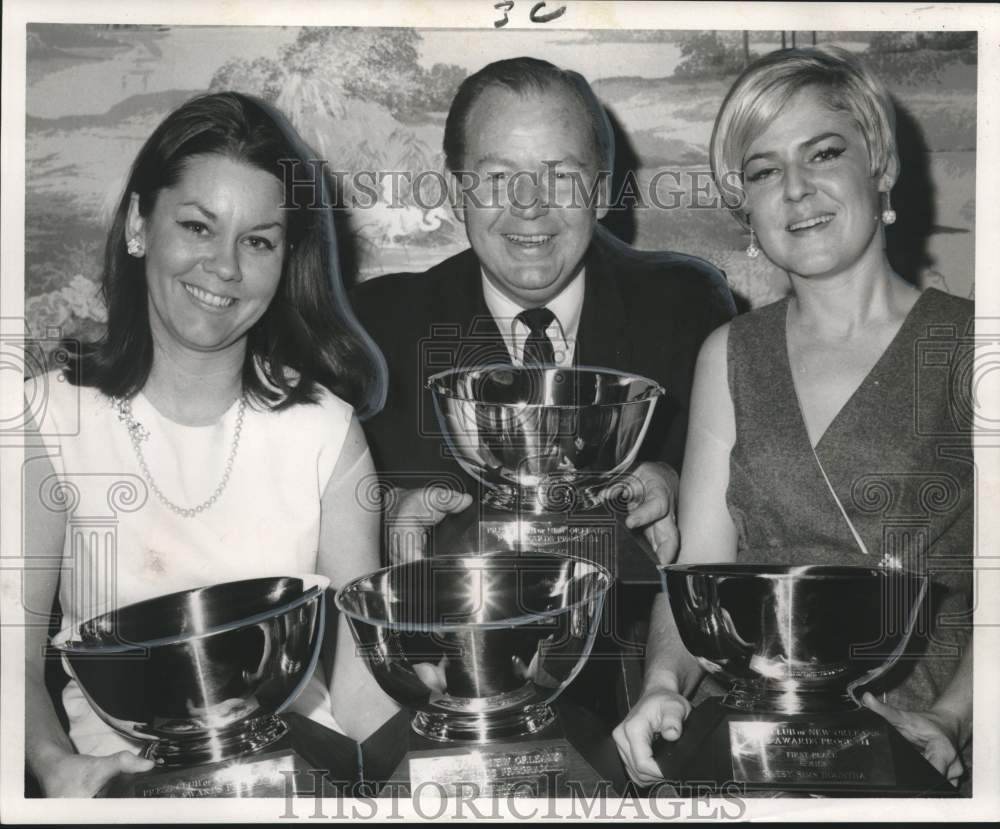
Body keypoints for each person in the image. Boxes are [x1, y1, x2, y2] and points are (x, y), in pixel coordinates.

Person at [613, 46, 973, 789]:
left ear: (880, 168)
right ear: (743, 202)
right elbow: (697, 579)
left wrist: (953, 717)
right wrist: (660, 684)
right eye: (764, 169)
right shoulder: (728, 354)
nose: (797, 189)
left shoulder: (977, 346)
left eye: (824, 153)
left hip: (925, 732)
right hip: (750, 738)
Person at [24, 92, 398, 797]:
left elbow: (359, 682)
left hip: (302, 779)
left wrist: (439, 779)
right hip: (121, 785)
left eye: (258, 240)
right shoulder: (47, 418)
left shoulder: (329, 430)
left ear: (286, 260)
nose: (225, 267)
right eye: (198, 227)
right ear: (140, 224)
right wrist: (56, 766)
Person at [350, 57, 736, 563]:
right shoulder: (375, 328)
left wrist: (677, 484)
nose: (528, 204)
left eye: (559, 176)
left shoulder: (687, 306)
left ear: (600, 192)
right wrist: (380, 524)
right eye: (497, 177)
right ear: (454, 193)